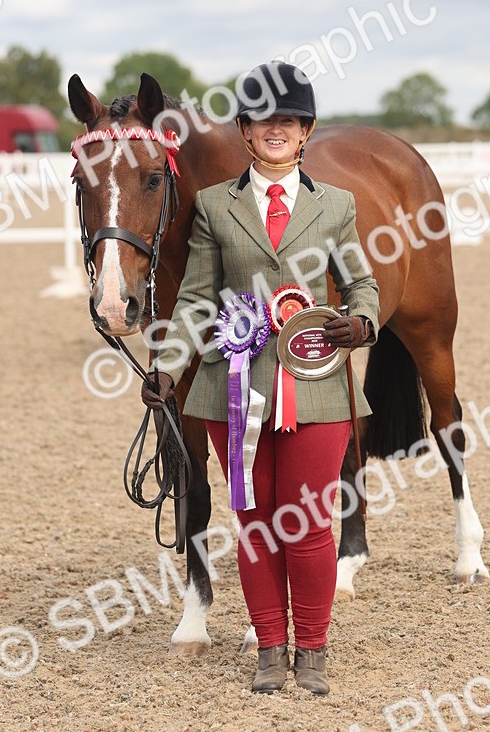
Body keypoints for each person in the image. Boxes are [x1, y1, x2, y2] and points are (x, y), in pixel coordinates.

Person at [140, 62, 379, 696]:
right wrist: (167, 369)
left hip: (318, 386)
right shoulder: (216, 206)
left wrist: (362, 322)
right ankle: (270, 646)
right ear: (244, 131)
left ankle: (313, 649)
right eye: (263, 121)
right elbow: (194, 298)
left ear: (306, 131)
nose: (277, 130)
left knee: (307, 521)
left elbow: (360, 282)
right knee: (256, 523)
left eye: (290, 120)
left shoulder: (338, 205)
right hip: (233, 387)